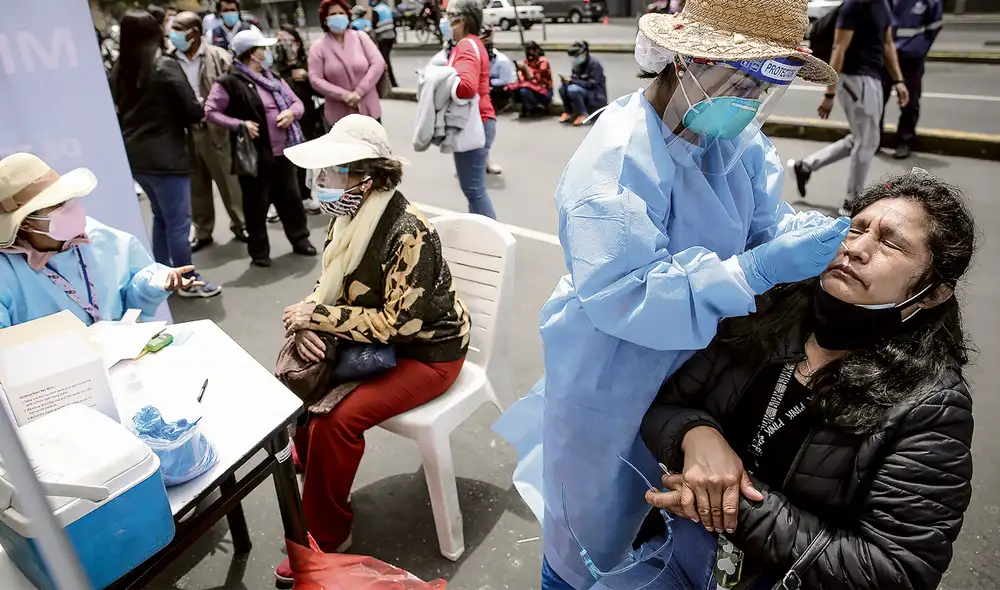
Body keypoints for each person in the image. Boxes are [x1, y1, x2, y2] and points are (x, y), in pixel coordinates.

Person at [489, 0, 852, 588]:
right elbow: (624, 293)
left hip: (697, 375)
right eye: (737, 82)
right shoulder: (616, 158)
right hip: (612, 374)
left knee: (671, 530)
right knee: (591, 536)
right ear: (684, 61)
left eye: (761, 90)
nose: (748, 103)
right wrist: (753, 272)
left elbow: (763, 224)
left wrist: (804, 236)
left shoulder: (734, 144)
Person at [642, 172, 974, 590]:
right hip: (673, 552)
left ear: (932, 294)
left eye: (890, 242)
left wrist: (732, 501)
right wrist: (695, 434)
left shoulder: (931, 403)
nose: (856, 248)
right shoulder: (770, 310)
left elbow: (897, 570)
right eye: (856, 227)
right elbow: (663, 405)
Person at [276, 115, 470, 585]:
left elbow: (398, 323)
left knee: (336, 421)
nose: (321, 184)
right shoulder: (347, 218)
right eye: (320, 175)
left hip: (428, 353)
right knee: (300, 370)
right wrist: (307, 322)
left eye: (331, 173)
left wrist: (316, 318)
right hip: (374, 341)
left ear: (367, 175)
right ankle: (310, 460)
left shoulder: (408, 230)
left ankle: (325, 532)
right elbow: (330, 286)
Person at [0, 153, 199, 327]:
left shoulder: (98, 235)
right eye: (57, 204)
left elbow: (129, 295)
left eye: (68, 198)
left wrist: (155, 284)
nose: (70, 207)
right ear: (25, 223)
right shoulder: (6, 272)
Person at [112, 10, 221, 298]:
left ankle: (162, 275)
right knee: (177, 223)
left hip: (136, 157)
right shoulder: (164, 66)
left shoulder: (119, 68)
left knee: (161, 218)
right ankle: (186, 279)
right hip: (167, 156)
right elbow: (193, 110)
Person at [204, 29, 317, 267]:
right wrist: (239, 125)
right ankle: (260, 252)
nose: (266, 53)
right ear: (251, 54)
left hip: (284, 152)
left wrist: (290, 113)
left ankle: (300, 239)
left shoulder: (273, 78)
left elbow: (297, 103)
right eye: (262, 49)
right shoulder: (229, 82)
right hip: (255, 155)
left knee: (291, 200)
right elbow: (210, 112)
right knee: (256, 205)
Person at [788, 0, 910, 214]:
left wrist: (898, 81)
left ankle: (805, 165)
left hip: (873, 79)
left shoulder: (885, 5)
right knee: (868, 141)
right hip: (855, 79)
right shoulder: (855, 5)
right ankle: (851, 202)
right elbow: (839, 48)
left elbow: (888, 43)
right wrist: (829, 93)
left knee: (861, 138)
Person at [167, 12, 248, 253]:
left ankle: (240, 223)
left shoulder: (218, 56)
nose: (174, 35)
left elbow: (235, 89)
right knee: (196, 183)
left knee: (228, 179)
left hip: (217, 129)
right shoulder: (169, 61)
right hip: (186, 130)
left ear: (193, 32)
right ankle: (203, 230)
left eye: (179, 29)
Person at [439, 0, 498, 218]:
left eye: (449, 18)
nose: (445, 23)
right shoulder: (474, 43)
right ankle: (482, 240)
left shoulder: (465, 45)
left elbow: (466, 87)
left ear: (461, 21)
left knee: (475, 191)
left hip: (475, 123)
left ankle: (492, 243)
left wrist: (440, 83)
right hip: (483, 120)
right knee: (474, 190)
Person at [309, 0, 386, 129]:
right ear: (325, 20)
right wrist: (344, 95)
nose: (337, 16)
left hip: (368, 110)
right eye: (333, 14)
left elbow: (378, 63)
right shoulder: (318, 47)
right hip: (338, 116)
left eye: (341, 13)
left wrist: (359, 91)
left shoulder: (361, 38)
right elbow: (316, 79)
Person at [881, 0, 943, 160]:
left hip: (911, 59)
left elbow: (935, 27)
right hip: (886, 56)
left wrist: (919, 49)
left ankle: (905, 140)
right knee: (877, 100)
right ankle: (874, 139)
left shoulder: (929, 2)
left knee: (910, 102)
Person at [276, 23, 326, 215]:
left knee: (303, 161)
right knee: (281, 163)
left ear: (297, 43)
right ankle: (279, 202)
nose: (283, 45)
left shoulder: (306, 64)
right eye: (279, 41)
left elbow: (321, 88)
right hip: (280, 122)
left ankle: (305, 196)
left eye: (287, 41)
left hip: (306, 120)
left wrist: (308, 78)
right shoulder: (273, 68)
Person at [558, 41, 606, 126]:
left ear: (584, 53)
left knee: (573, 89)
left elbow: (592, 84)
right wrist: (567, 81)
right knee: (562, 88)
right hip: (583, 91)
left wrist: (572, 81)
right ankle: (568, 112)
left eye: (575, 56)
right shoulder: (577, 65)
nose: (573, 59)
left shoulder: (594, 64)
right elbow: (575, 78)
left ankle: (583, 114)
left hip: (596, 94)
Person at [508, 41, 553, 118]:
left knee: (524, 90)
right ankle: (527, 106)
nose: (529, 53)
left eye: (531, 50)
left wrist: (526, 69)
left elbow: (535, 79)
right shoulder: (526, 62)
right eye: (527, 50)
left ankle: (538, 106)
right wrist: (519, 71)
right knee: (516, 88)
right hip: (532, 89)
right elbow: (521, 80)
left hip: (544, 91)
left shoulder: (543, 62)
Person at [370, 0, 398, 87]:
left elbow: (374, 24)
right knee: (386, 59)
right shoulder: (387, 8)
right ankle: (391, 82)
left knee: (384, 61)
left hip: (382, 37)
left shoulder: (376, 10)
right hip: (390, 36)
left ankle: (390, 83)